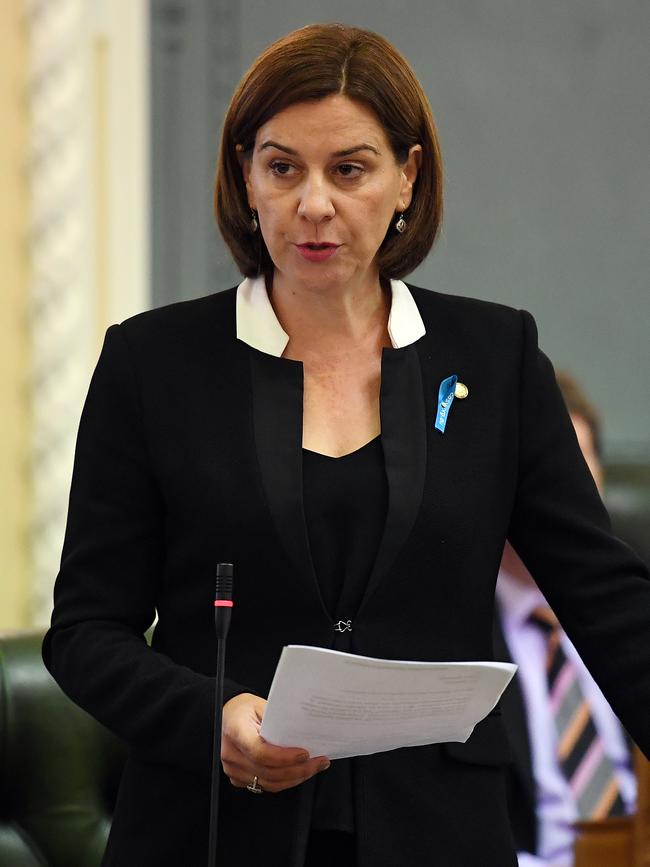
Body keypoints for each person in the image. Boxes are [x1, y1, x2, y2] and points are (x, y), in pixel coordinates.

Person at [42, 23, 650, 867]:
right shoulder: (152, 364)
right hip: (212, 828)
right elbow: (85, 630)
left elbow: (611, 603)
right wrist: (210, 715)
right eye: (282, 166)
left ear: (408, 176)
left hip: (440, 829)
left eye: (350, 169)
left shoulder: (494, 357)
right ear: (244, 178)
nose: (314, 203)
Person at [495, 372, 636, 866]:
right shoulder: (445, 627)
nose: (559, 491)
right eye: (541, 470)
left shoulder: (633, 608)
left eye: (577, 466)